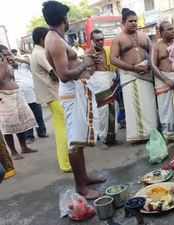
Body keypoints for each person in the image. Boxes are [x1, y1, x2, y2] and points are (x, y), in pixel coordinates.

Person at [43, 0, 105, 199]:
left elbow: (70, 66)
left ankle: (84, 177)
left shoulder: (57, 38)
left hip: (77, 90)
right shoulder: (54, 40)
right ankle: (81, 187)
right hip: (71, 92)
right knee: (74, 143)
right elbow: (64, 74)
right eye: (67, 17)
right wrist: (85, 63)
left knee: (79, 139)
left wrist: (85, 63)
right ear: (63, 18)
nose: (68, 20)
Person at [111, 8, 158, 143]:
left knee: (149, 104)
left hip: (146, 75)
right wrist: (133, 68)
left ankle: (151, 133)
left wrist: (149, 64)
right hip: (130, 75)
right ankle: (137, 136)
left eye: (135, 21)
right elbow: (113, 59)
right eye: (130, 21)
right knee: (133, 106)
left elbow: (153, 52)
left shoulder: (144, 36)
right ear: (123, 22)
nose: (133, 23)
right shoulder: (118, 39)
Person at [30, 26, 71, 172]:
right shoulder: (40, 53)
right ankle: (66, 163)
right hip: (53, 94)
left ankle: (65, 161)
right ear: (42, 39)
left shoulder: (36, 52)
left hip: (50, 94)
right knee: (62, 129)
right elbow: (54, 73)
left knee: (61, 127)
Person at [0, 44, 37, 160]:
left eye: (9, 53)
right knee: (8, 125)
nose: (9, 56)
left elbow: (11, 77)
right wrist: (4, 64)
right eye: (5, 54)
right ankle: (14, 151)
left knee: (21, 123)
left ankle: (24, 147)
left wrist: (9, 62)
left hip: (16, 93)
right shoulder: (2, 64)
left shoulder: (9, 64)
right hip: (5, 97)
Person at [86, 29, 119, 146]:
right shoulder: (89, 53)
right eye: (97, 40)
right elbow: (89, 73)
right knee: (102, 111)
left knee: (113, 108)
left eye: (102, 39)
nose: (101, 42)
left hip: (110, 82)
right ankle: (103, 136)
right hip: (99, 85)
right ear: (92, 41)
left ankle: (112, 136)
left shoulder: (107, 51)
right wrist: (92, 62)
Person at [12, 46, 48, 143]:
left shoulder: (23, 63)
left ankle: (42, 132)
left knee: (38, 115)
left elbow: (30, 61)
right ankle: (29, 136)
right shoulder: (8, 68)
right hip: (21, 97)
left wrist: (16, 58)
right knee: (26, 118)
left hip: (33, 94)